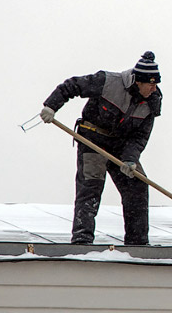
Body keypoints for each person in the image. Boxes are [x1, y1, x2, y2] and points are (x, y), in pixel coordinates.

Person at [40, 51, 162, 245]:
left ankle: (137, 242)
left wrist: (130, 159)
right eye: (151, 84)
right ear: (138, 81)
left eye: (156, 84)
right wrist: (51, 106)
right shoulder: (108, 82)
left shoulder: (152, 102)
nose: (154, 89)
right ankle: (82, 239)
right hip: (93, 140)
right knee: (91, 187)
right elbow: (72, 85)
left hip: (121, 147)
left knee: (137, 185)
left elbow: (140, 136)